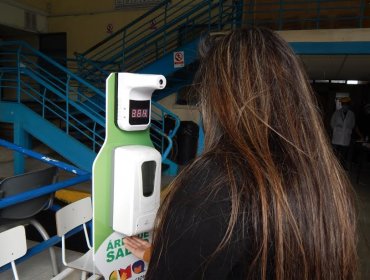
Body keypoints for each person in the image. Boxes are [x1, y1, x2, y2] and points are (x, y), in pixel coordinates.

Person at [124, 28, 357, 279]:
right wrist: (164, 256)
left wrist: (168, 262)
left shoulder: (214, 183)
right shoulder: (325, 183)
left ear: (218, 100)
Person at [330, 96, 356, 168]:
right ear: (341, 104)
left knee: (344, 153)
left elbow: (353, 124)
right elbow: (332, 123)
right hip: (337, 136)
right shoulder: (336, 113)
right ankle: (333, 166)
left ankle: (341, 166)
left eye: (346, 104)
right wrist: (336, 128)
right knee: (335, 152)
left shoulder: (351, 114)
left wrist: (348, 129)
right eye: (343, 104)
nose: (345, 105)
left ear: (348, 105)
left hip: (346, 137)